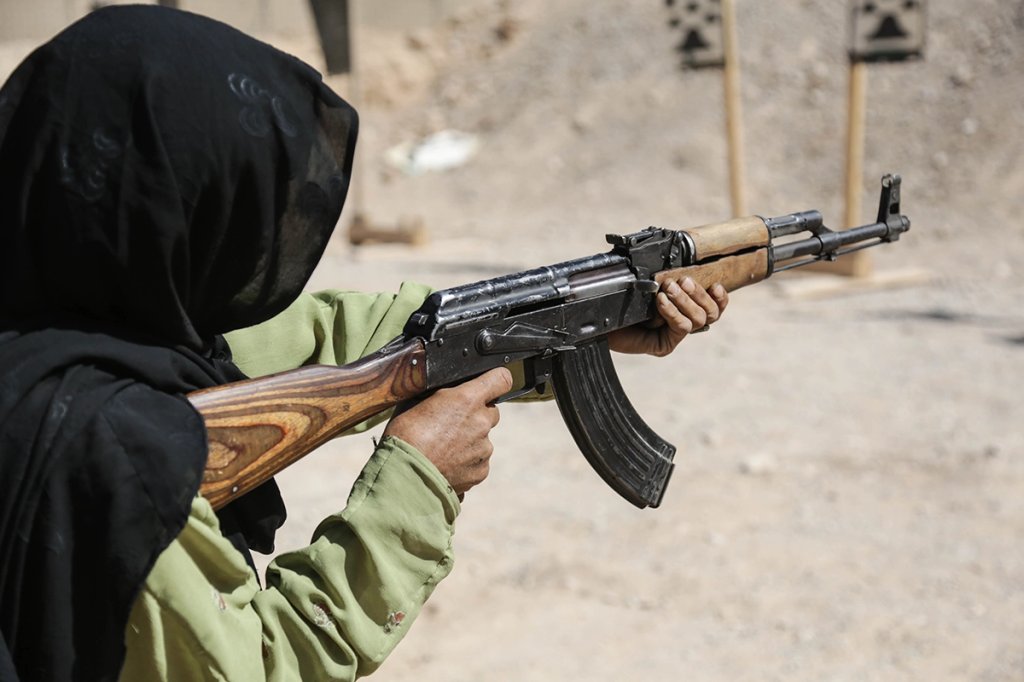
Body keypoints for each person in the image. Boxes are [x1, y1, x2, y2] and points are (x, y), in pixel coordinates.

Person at [0, 6, 728, 681]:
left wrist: (575, 325)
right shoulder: (113, 453)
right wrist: (417, 477)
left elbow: (324, 338)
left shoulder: (69, 319)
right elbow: (258, 663)